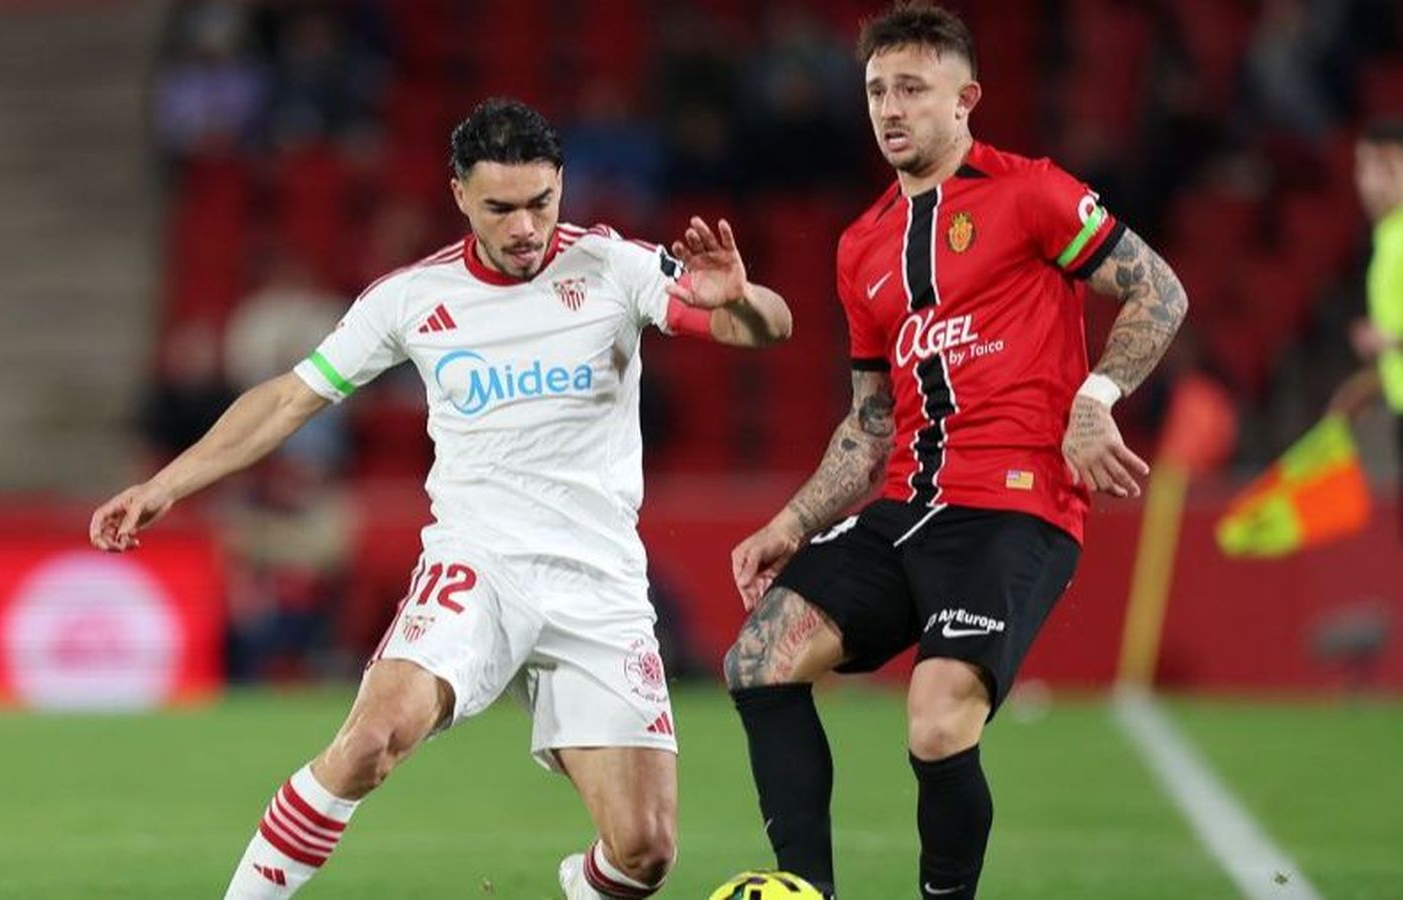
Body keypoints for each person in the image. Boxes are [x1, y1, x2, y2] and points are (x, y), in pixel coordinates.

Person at [89, 98, 793, 899]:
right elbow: (290, 398)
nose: (526, 226)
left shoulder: (613, 268)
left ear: (561, 185)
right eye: (501, 207)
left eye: (541, 202)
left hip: (598, 583)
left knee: (645, 851)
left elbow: (765, 328)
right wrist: (165, 484)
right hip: (479, 565)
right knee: (369, 743)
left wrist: (735, 296)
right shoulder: (413, 298)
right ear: (460, 194)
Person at [719, 5, 1189, 899]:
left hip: (1017, 505)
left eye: (912, 89)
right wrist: (791, 521)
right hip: (905, 511)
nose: (890, 109)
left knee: (936, 720)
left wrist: (1095, 400)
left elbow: (1160, 292)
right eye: (875, 92)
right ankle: (803, 892)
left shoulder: (1033, 192)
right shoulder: (860, 247)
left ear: (966, 98)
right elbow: (870, 423)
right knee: (759, 660)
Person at [1328, 117, 1403, 534]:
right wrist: (1366, 388)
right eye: (1362, 168)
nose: (1367, 182)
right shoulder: (1388, 239)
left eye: (1380, 168)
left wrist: (1387, 340)